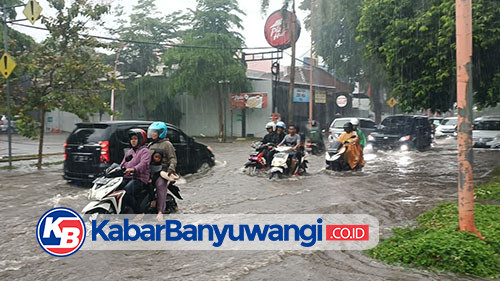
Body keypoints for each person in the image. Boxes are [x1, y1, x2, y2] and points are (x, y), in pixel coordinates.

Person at [147, 121, 178, 221]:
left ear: (161, 133)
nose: (152, 134)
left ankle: (160, 211)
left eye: (154, 132)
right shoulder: (150, 145)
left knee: (160, 185)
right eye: (151, 132)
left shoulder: (167, 144)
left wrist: (170, 169)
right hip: (150, 171)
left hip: (162, 172)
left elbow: (173, 159)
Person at [120, 129, 151, 214]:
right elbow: (123, 163)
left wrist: (133, 169)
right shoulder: (129, 152)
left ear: (141, 139)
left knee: (126, 192)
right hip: (128, 177)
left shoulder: (145, 151)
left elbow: (144, 164)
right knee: (116, 189)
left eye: (135, 139)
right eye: (132, 139)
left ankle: (139, 212)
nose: (133, 141)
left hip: (140, 178)